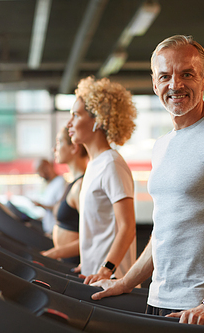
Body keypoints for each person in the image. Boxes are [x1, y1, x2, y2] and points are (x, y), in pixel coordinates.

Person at [90, 35, 204, 326]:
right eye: (165, 76)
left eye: (187, 74)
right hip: (157, 300)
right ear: (155, 83)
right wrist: (126, 282)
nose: (175, 85)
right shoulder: (162, 145)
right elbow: (164, 233)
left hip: (198, 308)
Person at [66, 76, 138, 281]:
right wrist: (89, 262)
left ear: (97, 120)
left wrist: (106, 269)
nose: (69, 123)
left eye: (76, 115)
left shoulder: (111, 164)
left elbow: (127, 227)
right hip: (94, 275)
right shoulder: (94, 165)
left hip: (112, 279)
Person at [41, 127, 88, 264]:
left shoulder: (80, 186)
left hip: (76, 263)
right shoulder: (71, 182)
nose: (54, 149)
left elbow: (92, 237)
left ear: (74, 147)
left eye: (59, 142)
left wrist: (54, 253)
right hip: (66, 260)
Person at [32, 158, 66, 234]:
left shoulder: (60, 182)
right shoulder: (50, 185)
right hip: (49, 230)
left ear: (47, 168)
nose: (40, 175)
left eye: (40, 171)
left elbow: (60, 208)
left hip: (56, 231)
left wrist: (41, 205)